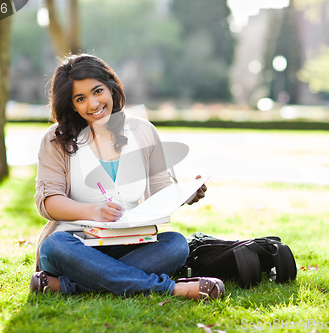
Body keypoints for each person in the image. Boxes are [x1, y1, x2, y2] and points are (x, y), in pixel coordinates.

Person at [30, 54, 224, 300]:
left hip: (131, 244)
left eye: (97, 91)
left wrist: (186, 194)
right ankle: (171, 289)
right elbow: (48, 203)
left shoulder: (143, 131)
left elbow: (160, 190)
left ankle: (72, 285)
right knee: (53, 247)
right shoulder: (56, 139)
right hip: (76, 245)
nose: (92, 104)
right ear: (72, 105)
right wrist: (92, 211)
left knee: (176, 244)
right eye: (80, 98)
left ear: (111, 87)